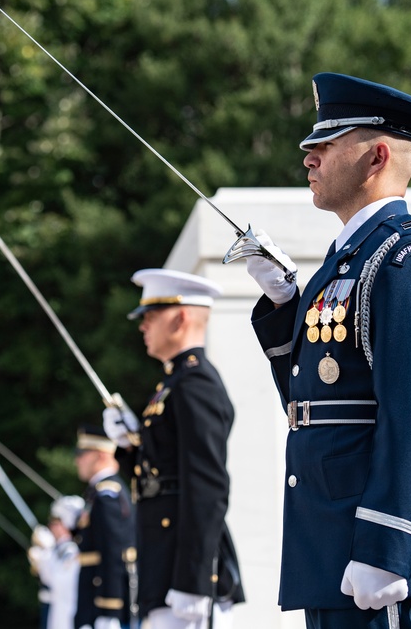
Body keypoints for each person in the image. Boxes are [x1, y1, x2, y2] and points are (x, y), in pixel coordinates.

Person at [243, 72, 411, 628]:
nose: (308, 157)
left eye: (324, 144)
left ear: (376, 157)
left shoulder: (405, 258)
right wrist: (286, 304)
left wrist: (387, 543)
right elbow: (315, 400)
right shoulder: (347, 260)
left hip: (372, 545)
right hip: (332, 535)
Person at [103, 269, 245, 629]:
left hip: (182, 570)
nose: (142, 327)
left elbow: (207, 487)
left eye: (150, 317)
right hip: (163, 561)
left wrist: (193, 580)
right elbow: (161, 473)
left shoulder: (195, 384)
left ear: (180, 317)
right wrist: (129, 445)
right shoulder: (173, 383)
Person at [72, 426, 136, 629]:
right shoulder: (97, 492)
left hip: (103, 605)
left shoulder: (107, 494)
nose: (78, 460)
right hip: (93, 602)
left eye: (83, 454)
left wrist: (109, 607)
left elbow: (114, 552)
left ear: (101, 455)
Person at [29, 495, 86, 629]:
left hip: (67, 613)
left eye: (56, 522)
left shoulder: (71, 550)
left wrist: (45, 556)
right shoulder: (60, 548)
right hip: (58, 611)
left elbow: (59, 583)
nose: (51, 526)